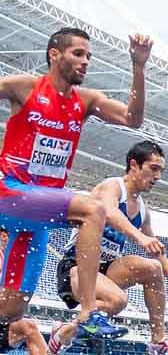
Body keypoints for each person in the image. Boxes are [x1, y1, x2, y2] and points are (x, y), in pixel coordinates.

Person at [0, 27, 153, 355]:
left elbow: (133, 119)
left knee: (10, 308)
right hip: (13, 196)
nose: (85, 62)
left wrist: (138, 67)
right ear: (54, 55)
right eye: (78, 54)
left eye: (89, 56)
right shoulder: (24, 87)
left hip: (39, 214)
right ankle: (88, 313)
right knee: (93, 209)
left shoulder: (86, 101)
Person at [50, 140, 168, 355]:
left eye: (161, 170)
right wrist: (140, 237)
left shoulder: (144, 210)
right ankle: (63, 334)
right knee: (117, 301)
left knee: (153, 268)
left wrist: (160, 259)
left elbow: (158, 254)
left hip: (106, 269)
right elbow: (110, 212)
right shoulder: (112, 186)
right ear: (134, 165)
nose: (158, 177)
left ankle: (157, 341)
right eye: (153, 169)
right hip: (77, 266)